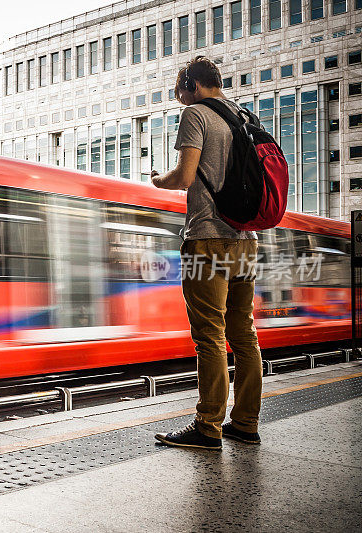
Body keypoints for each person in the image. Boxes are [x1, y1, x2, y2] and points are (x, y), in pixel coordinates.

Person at [150, 56, 263, 449]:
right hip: (246, 242)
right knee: (244, 335)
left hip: (207, 239)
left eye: (179, 91)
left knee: (210, 337)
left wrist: (157, 181)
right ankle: (246, 422)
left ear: (190, 84)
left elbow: (183, 176)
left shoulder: (196, 114)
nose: (179, 99)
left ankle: (208, 426)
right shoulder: (244, 115)